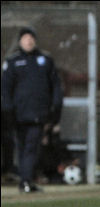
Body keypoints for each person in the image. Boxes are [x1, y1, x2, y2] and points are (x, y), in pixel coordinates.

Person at [1, 27, 63, 193]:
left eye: (31, 38)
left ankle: (26, 180)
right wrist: (7, 111)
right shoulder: (12, 62)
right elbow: (5, 89)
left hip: (38, 114)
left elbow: (55, 86)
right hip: (18, 115)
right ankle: (25, 181)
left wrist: (55, 108)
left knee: (31, 147)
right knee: (22, 148)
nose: (29, 41)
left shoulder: (45, 60)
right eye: (25, 38)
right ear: (20, 41)